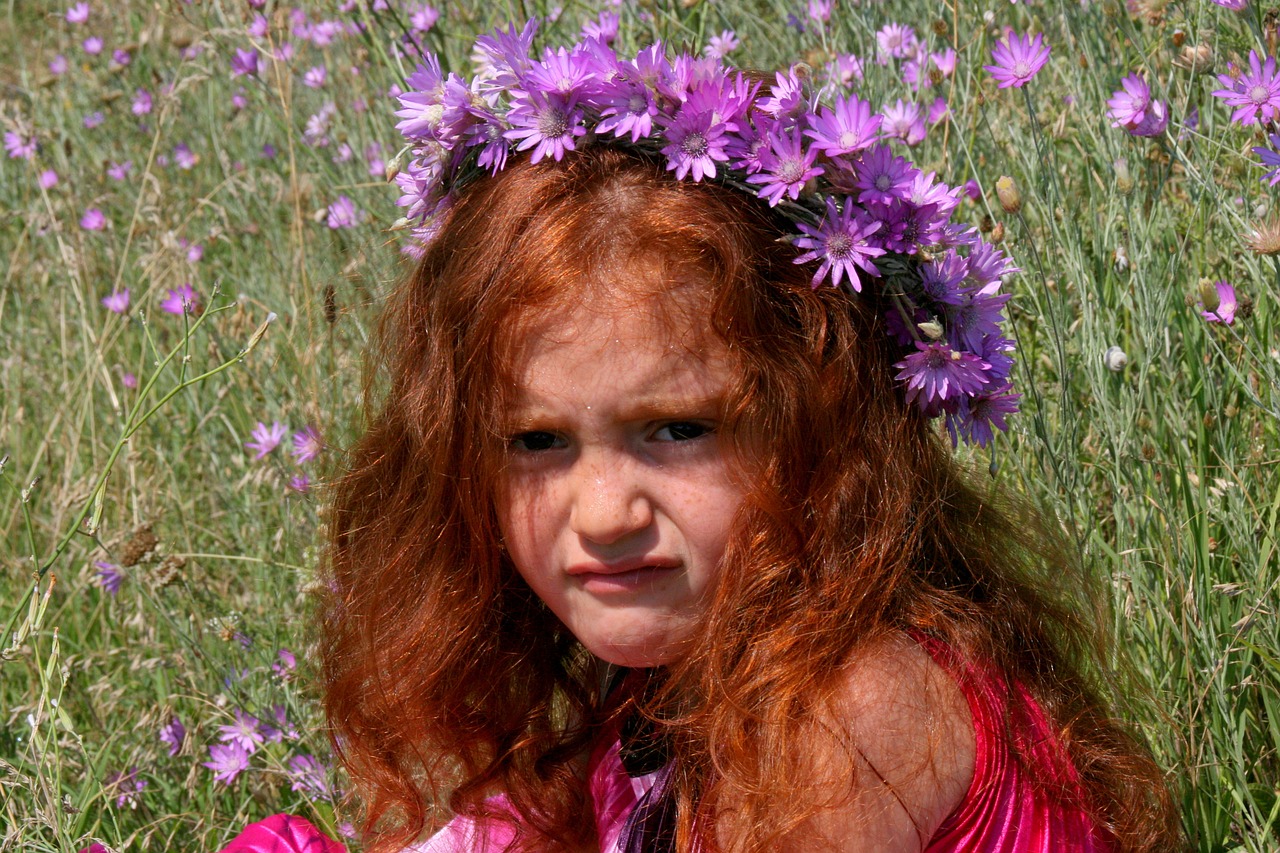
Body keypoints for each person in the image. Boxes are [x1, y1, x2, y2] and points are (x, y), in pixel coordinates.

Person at [228, 24, 1184, 853]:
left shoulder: (851, 714)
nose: (603, 513)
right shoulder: (666, 697)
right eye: (535, 442)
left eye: (679, 429)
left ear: (821, 418)